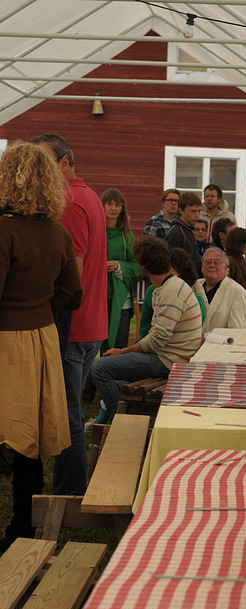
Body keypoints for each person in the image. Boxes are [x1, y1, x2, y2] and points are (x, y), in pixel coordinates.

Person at [0, 142, 82, 553]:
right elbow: (73, 295)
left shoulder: (4, 230)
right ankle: (22, 527)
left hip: (7, 343)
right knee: (27, 437)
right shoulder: (57, 232)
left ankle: (15, 530)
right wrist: (38, 306)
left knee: (6, 433)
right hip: (42, 338)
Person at [31, 133, 107, 496]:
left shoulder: (70, 200)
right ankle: (68, 487)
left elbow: (70, 273)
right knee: (70, 411)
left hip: (73, 325)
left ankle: (69, 494)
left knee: (68, 416)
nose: (38, 169)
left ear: (64, 163)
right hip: (91, 321)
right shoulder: (89, 195)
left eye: (44, 160)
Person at [91, 236, 203, 421]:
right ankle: (114, 417)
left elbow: (157, 339)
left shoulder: (170, 291)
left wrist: (124, 351)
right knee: (111, 368)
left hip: (169, 361)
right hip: (169, 355)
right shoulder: (169, 285)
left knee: (99, 368)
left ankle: (119, 420)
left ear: (143, 267)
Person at [100, 188, 140, 352]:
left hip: (121, 299)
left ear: (122, 209)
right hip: (99, 297)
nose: (113, 208)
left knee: (118, 345)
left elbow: (137, 268)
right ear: (101, 206)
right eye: (109, 204)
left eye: (117, 205)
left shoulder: (128, 237)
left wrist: (118, 266)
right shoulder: (94, 232)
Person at [137, 246, 206, 339]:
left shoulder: (194, 294)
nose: (164, 270)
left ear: (182, 270)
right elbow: (144, 329)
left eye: (168, 267)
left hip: (177, 346)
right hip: (151, 343)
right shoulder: (152, 290)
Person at [194, 247, 246, 334]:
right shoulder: (194, 286)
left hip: (218, 345)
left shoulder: (237, 292)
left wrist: (206, 338)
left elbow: (237, 330)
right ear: (202, 266)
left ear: (226, 267)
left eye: (217, 262)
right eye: (208, 262)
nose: (212, 265)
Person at [166, 191, 202, 270]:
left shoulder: (188, 229)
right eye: (193, 211)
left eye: (199, 211)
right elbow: (175, 264)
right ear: (181, 210)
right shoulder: (177, 232)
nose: (197, 215)